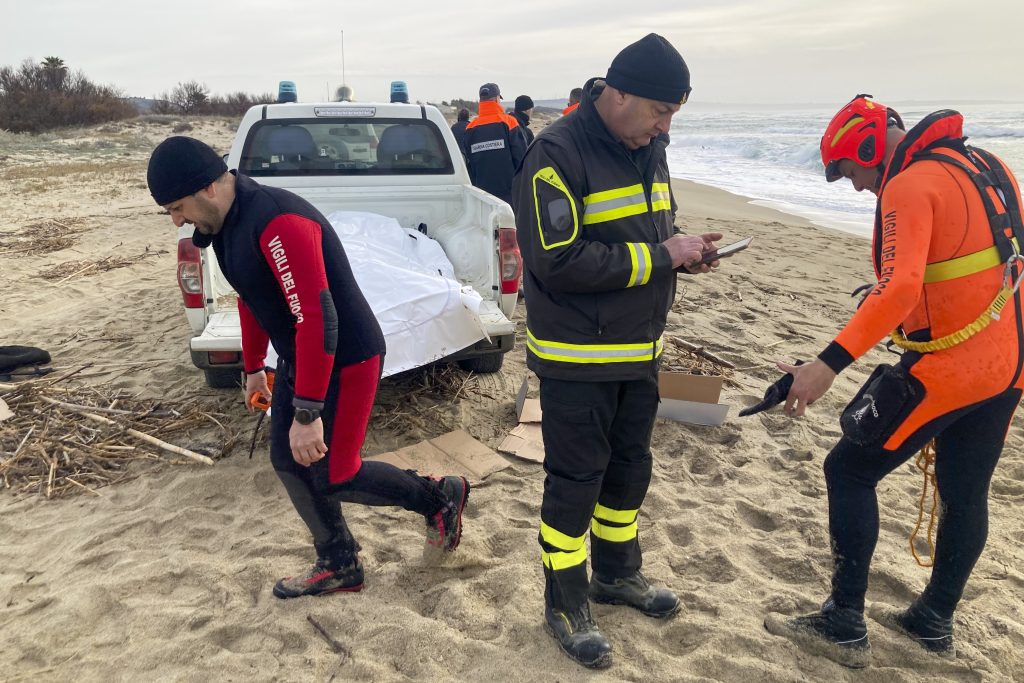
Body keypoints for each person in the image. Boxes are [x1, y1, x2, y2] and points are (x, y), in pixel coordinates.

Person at [147, 136, 470, 599]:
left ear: (207, 188)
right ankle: (338, 562)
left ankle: (440, 497)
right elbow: (251, 298)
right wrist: (255, 367)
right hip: (302, 354)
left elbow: (318, 317)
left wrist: (307, 412)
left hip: (348, 356)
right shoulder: (222, 228)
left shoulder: (279, 220)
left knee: (337, 472)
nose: (177, 220)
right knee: (288, 460)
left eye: (177, 207)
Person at [763, 95, 1024, 668]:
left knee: (848, 470)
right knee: (965, 492)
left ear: (869, 146)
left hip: (949, 369)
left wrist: (825, 365)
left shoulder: (907, 186)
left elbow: (900, 287)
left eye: (853, 172)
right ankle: (933, 620)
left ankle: (842, 623)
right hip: (1007, 365)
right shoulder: (991, 165)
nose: (857, 188)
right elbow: (983, 256)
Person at [511, 34, 721, 669]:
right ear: (617, 93)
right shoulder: (554, 154)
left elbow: (651, 230)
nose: (663, 127)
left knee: (629, 472)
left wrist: (685, 253)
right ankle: (565, 601)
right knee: (574, 483)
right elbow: (558, 262)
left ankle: (617, 575)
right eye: (659, 112)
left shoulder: (649, 146)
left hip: (641, 351)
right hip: (578, 359)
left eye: (673, 117)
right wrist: (663, 256)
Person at [464, 82, 527, 204]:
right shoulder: (509, 122)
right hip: (510, 195)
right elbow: (522, 158)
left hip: (483, 197)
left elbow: (469, 164)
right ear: (497, 99)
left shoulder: (470, 128)